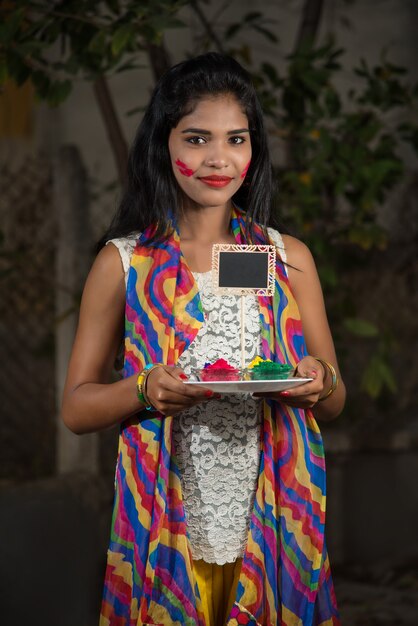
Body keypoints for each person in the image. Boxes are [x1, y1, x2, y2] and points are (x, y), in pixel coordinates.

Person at [61, 52, 345, 626]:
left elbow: (335, 399)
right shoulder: (126, 263)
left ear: (253, 148)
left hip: (271, 526)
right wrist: (145, 389)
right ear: (163, 145)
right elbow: (76, 407)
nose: (219, 159)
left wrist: (318, 381)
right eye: (196, 138)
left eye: (236, 139)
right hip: (167, 529)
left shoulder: (285, 258)